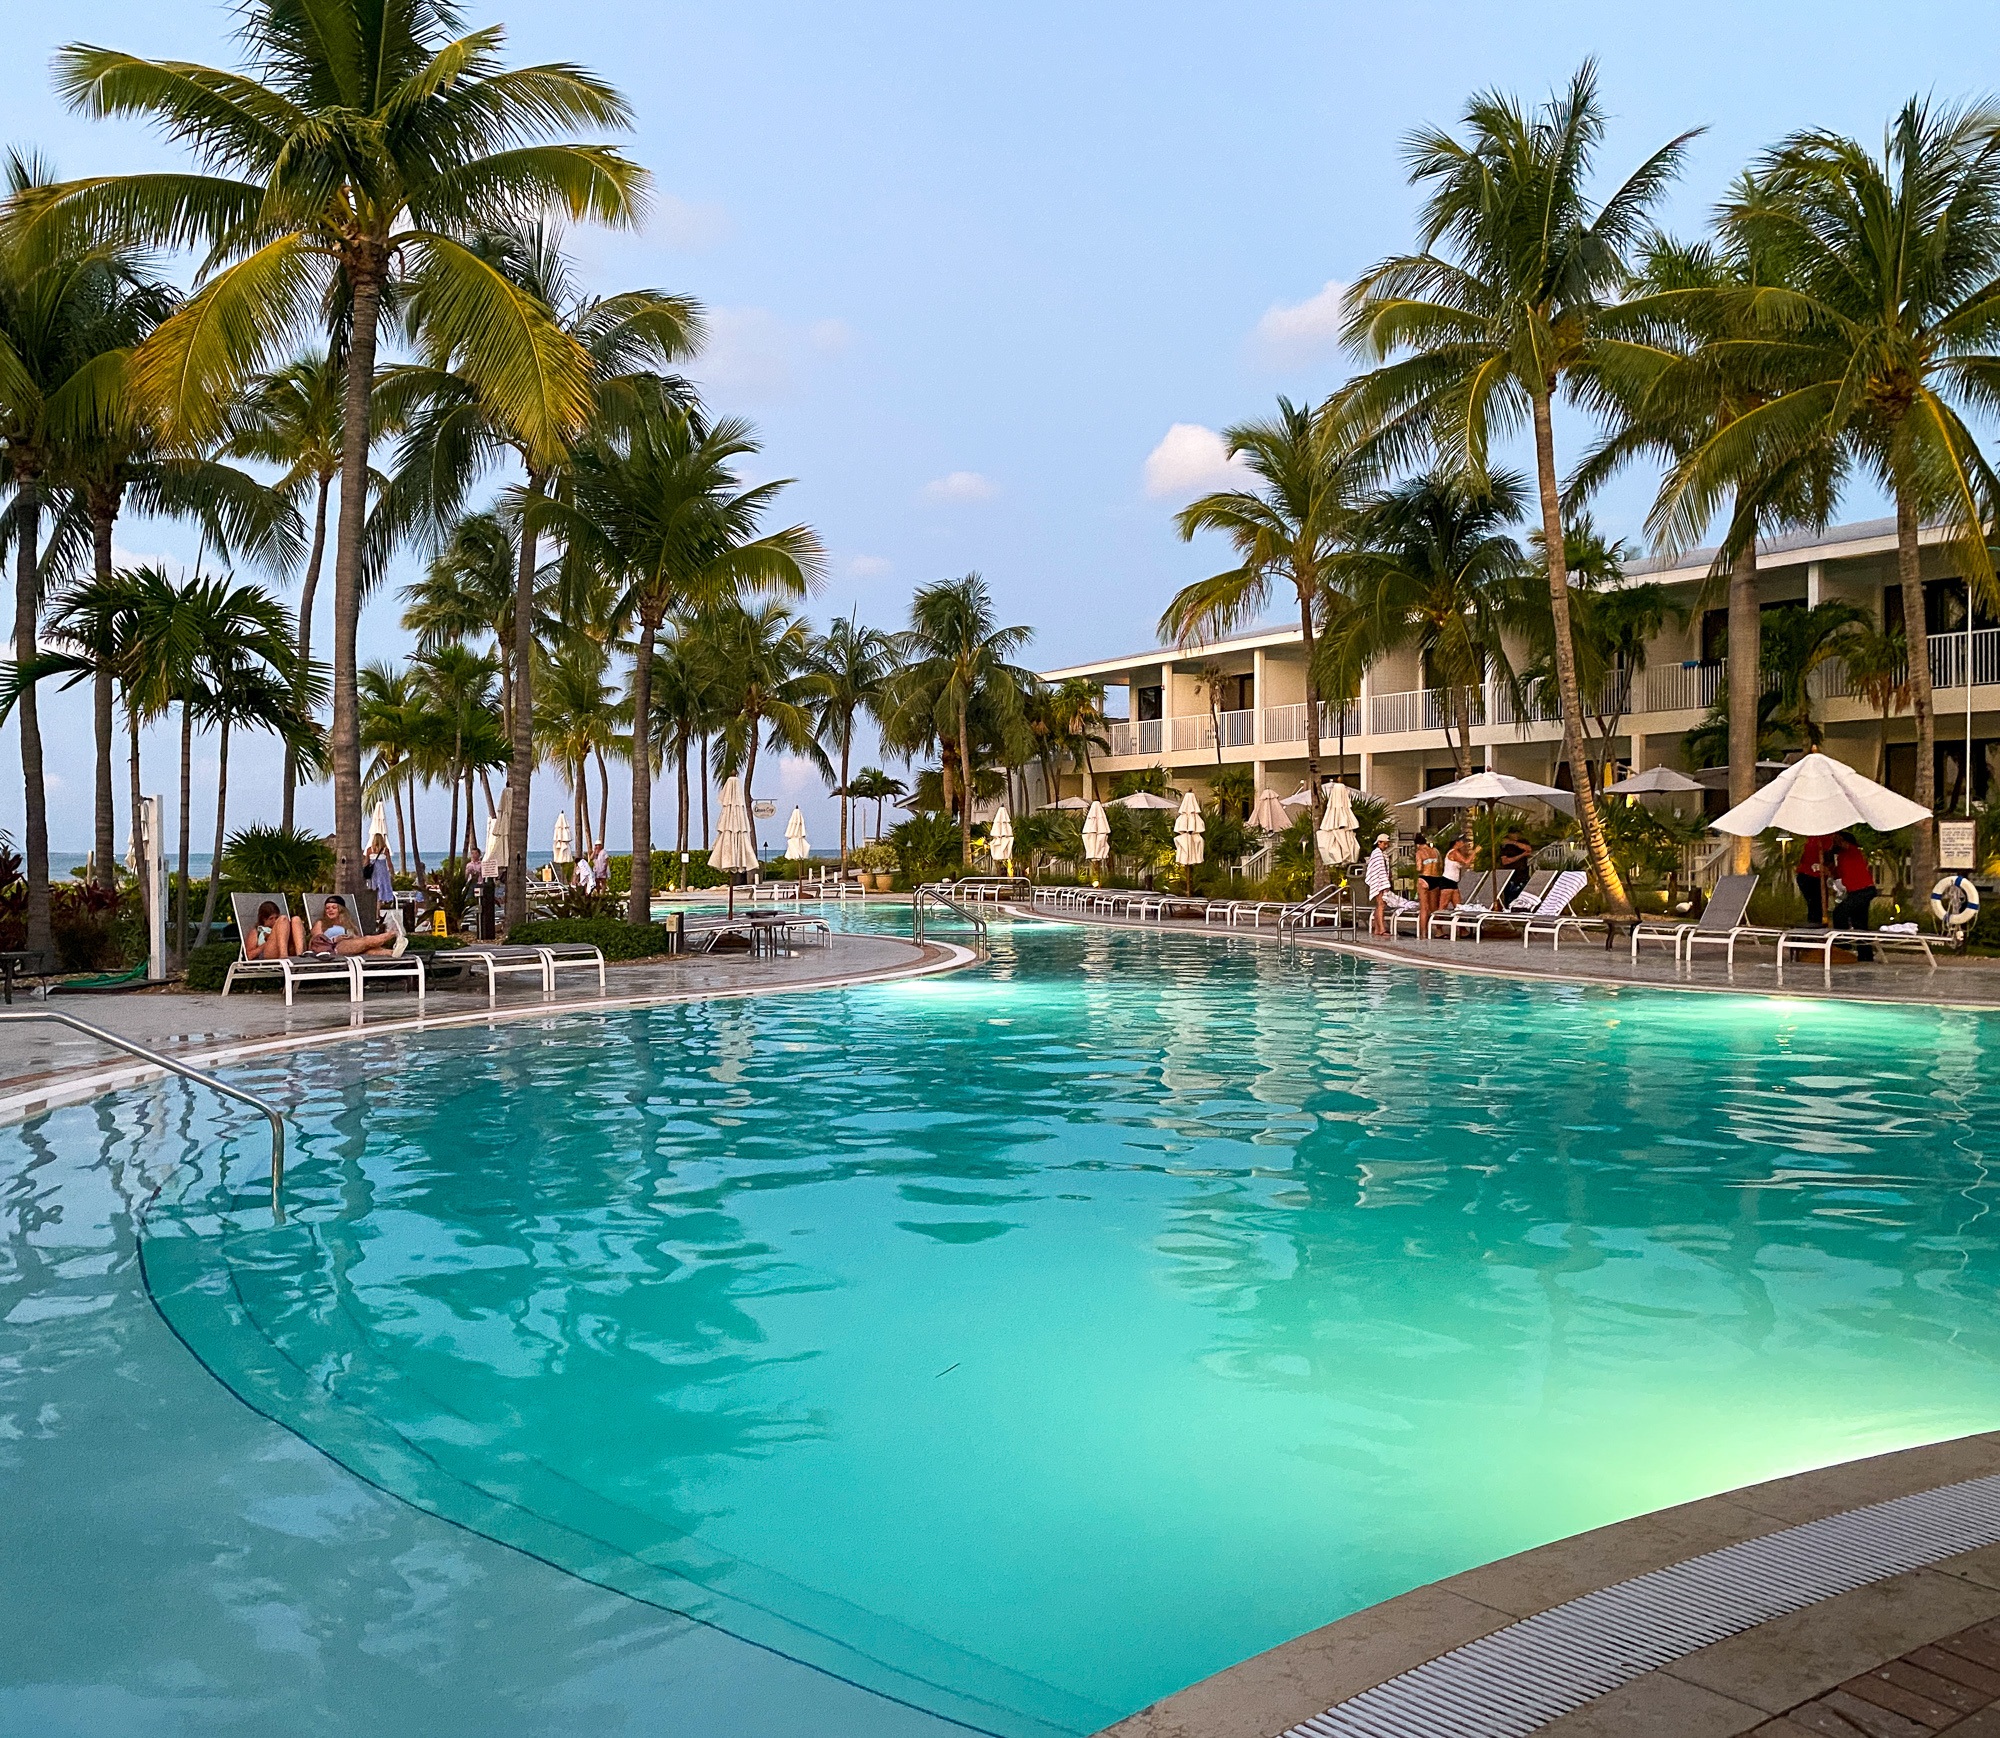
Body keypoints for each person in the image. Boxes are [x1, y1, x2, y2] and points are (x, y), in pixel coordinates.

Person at [1827, 831, 1879, 961]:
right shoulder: (1842, 857)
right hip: (1858, 891)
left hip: (1862, 890)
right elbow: (1838, 874)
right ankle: (1865, 955)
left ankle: (1843, 945)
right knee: (1859, 923)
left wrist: (1835, 838)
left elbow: (1844, 846)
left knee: (1839, 913)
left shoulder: (1853, 851)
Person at [307, 896, 407, 958]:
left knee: (369, 950)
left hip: (350, 947)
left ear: (341, 910)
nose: (330, 910)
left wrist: (351, 937)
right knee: (367, 940)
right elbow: (316, 942)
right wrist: (334, 940)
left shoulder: (348, 924)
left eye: (334, 908)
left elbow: (358, 940)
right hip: (334, 949)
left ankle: (392, 953)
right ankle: (394, 932)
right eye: (327, 908)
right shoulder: (321, 923)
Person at [1365, 832, 1394, 937]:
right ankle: (1382, 929)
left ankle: (1378, 929)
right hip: (1379, 882)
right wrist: (1383, 882)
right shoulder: (1377, 854)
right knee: (1381, 905)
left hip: (1382, 882)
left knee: (1380, 905)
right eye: (1384, 844)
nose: (1386, 846)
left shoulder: (1383, 854)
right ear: (1379, 842)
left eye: (1387, 844)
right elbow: (1378, 870)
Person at [1796, 834, 1830, 926]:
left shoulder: (1815, 839)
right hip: (1810, 875)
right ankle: (1815, 924)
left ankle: (1815, 923)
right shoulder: (1820, 839)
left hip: (1810, 874)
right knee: (1816, 904)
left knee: (1816, 904)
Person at [1414, 833, 1446, 929]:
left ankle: (1424, 933)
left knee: (1424, 908)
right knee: (1434, 908)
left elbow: (1419, 868)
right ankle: (1439, 931)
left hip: (1425, 878)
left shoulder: (1419, 852)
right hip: (1435, 878)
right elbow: (1441, 866)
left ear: (1417, 844)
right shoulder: (1436, 851)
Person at [1442, 829, 1476, 913]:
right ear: (1457, 842)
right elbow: (1466, 862)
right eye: (1462, 841)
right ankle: (1436, 921)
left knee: (1458, 906)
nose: (1463, 843)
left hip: (1454, 882)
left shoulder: (1457, 853)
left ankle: (1460, 922)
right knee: (1443, 905)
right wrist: (1475, 852)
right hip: (1447, 881)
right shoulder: (1454, 852)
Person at [1498, 830, 1534, 906]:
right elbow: (1505, 861)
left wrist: (1515, 843)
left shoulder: (1522, 842)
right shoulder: (1506, 846)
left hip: (1523, 875)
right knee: (1511, 900)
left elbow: (1528, 849)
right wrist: (1521, 855)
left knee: (1524, 900)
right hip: (1511, 877)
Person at [365, 834, 395, 906]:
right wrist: (392, 872)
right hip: (383, 873)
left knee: (374, 890)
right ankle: (378, 909)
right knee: (382, 890)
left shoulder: (369, 850)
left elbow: (366, 862)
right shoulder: (385, 850)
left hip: (373, 873)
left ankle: (376, 909)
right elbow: (389, 863)